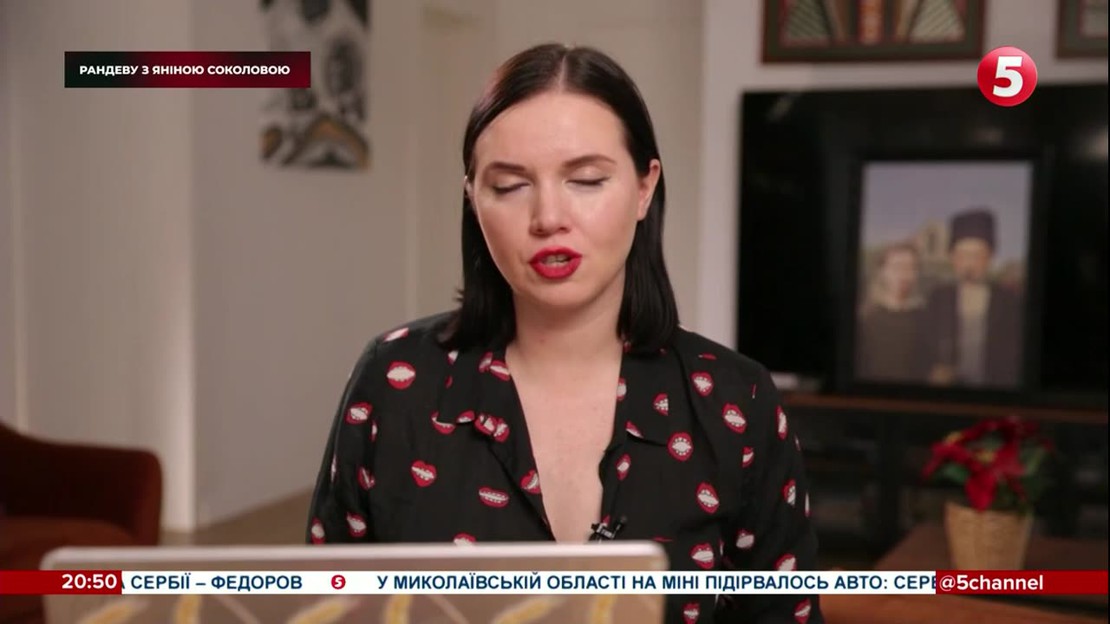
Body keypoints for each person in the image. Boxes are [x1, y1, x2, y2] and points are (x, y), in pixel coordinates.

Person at [306, 43, 823, 623]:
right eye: (510, 186)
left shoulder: (737, 401)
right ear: (473, 199)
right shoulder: (395, 381)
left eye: (586, 180)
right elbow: (328, 608)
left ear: (644, 188)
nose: (548, 217)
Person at [924, 208, 1023, 388]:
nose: (969, 264)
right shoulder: (938, 298)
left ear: (990, 257)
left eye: (977, 255)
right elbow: (923, 348)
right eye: (962, 255)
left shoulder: (1009, 302)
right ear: (952, 257)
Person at [855, 242, 929, 383]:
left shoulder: (926, 318)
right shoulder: (865, 319)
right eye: (897, 267)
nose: (904, 274)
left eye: (911, 268)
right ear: (882, 271)